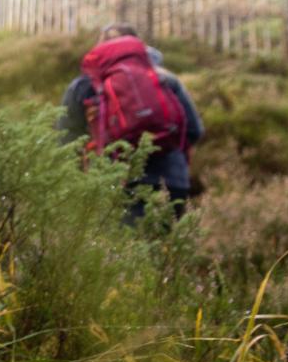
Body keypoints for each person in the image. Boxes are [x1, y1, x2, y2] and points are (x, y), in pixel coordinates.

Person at [59, 22, 205, 221]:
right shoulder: (165, 79)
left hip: (117, 181)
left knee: (124, 248)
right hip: (172, 182)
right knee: (168, 247)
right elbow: (194, 131)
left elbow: (67, 141)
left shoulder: (84, 85)